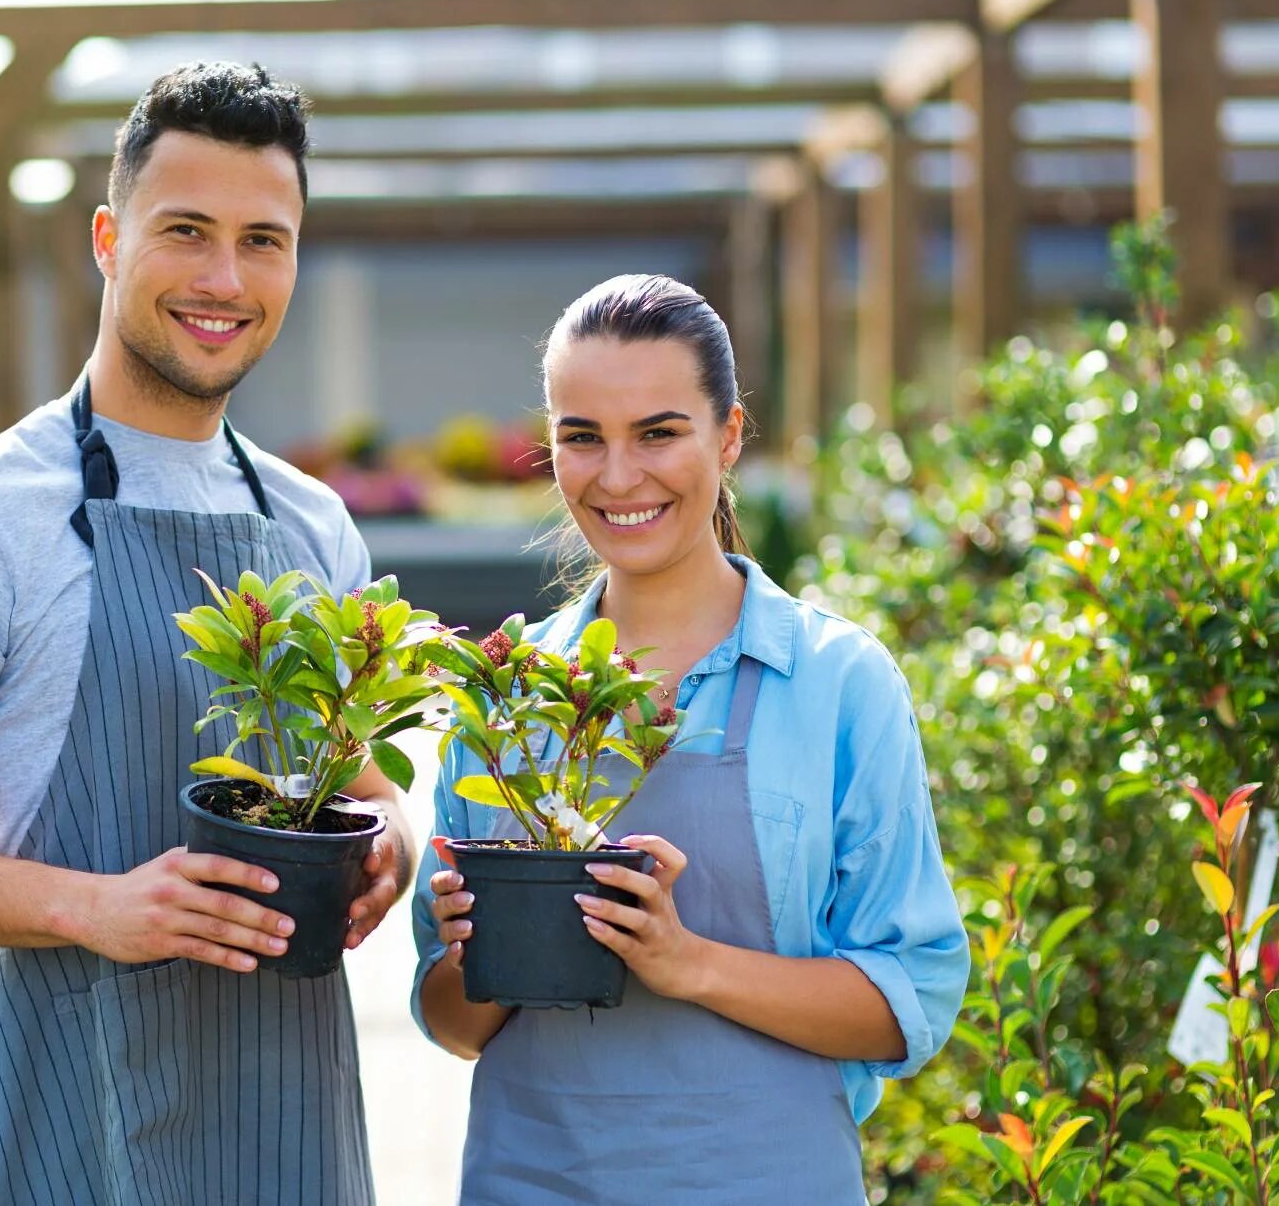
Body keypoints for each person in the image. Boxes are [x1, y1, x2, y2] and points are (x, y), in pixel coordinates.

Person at [0, 62, 410, 1205]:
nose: (224, 278)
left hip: (291, 1126)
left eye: (263, 239)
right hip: (68, 1122)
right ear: (107, 238)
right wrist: (92, 905)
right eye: (185, 230)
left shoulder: (312, 524)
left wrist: (393, 838)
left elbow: (361, 779)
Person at [410, 274, 967, 1203]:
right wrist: (481, 955)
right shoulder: (504, 692)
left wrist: (688, 962)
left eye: (659, 432)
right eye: (581, 437)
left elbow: (909, 1001)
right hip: (532, 1180)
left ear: (731, 435)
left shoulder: (836, 683)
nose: (618, 476)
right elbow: (453, 1021)